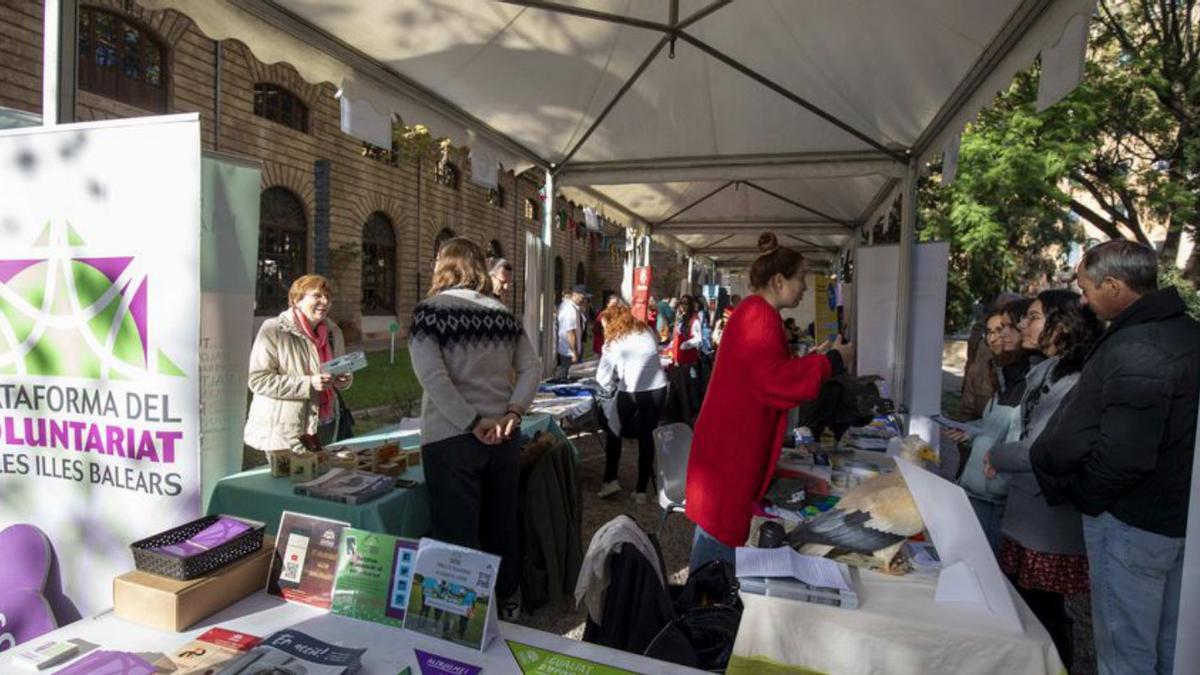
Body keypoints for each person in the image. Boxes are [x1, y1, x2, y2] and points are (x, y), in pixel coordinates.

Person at [1032, 240, 1199, 675]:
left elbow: (1125, 452)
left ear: (1114, 285)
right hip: (1173, 519)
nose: (1083, 300)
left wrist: (1088, 496)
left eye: (1087, 290)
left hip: (1133, 522)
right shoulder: (1181, 333)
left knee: (1126, 654)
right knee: (1168, 649)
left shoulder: (1140, 345)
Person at [686, 233, 851, 571]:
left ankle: (704, 607)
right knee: (716, 547)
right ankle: (704, 616)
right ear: (779, 281)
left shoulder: (755, 312)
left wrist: (809, 361)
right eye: (801, 277)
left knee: (715, 533)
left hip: (725, 451)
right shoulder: (759, 316)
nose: (805, 286)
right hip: (729, 456)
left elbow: (768, 373)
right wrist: (832, 361)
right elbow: (775, 382)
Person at [409, 237, 541, 620]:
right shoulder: (503, 314)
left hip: (452, 437)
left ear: (443, 265)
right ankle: (507, 603)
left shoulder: (428, 313)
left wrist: (472, 421)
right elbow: (532, 367)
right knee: (502, 523)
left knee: (455, 532)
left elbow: (432, 377)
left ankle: (460, 618)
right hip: (503, 436)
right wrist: (513, 413)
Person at [985, 290, 1102, 671]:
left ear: (1061, 323)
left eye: (1033, 317)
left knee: (1044, 615)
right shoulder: (1049, 369)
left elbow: (1041, 447)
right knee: (1028, 608)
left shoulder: (1073, 379)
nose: (1023, 325)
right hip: (1027, 512)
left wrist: (996, 456)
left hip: (1045, 518)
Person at [244, 274, 353, 463]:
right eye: (317, 296)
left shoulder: (334, 332)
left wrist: (343, 379)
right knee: (286, 488)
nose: (325, 301)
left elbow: (339, 369)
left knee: (322, 481)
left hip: (325, 423)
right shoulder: (273, 329)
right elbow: (258, 380)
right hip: (286, 431)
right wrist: (309, 383)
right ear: (297, 299)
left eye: (328, 297)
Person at [948, 307, 1029, 554]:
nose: (996, 337)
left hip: (997, 495)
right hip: (978, 488)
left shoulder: (1030, 379)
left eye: (1003, 328)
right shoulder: (999, 372)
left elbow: (1019, 438)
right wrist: (971, 431)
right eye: (991, 331)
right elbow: (992, 426)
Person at [594, 303, 668, 503]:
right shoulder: (646, 330)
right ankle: (641, 491)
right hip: (658, 388)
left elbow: (602, 378)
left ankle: (610, 480)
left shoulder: (614, 341)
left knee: (614, 430)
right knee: (647, 437)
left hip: (632, 390)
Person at [666, 295, 703, 424]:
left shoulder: (694, 320)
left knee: (690, 389)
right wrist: (671, 345)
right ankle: (679, 416)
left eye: (685, 304)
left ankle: (692, 417)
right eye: (681, 304)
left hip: (688, 361)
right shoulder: (681, 318)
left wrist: (687, 344)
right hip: (678, 360)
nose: (683, 306)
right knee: (679, 389)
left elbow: (698, 339)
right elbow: (677, 335)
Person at [555, 285, 589, 379]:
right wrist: (574, 352)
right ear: (575, 295)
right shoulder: (570, 310)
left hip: (570, 349)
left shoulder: (572, 307)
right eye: (582, 297)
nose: (584, 300)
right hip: (569, 352)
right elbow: (570, 332)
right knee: (569, 376)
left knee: (569, 375)